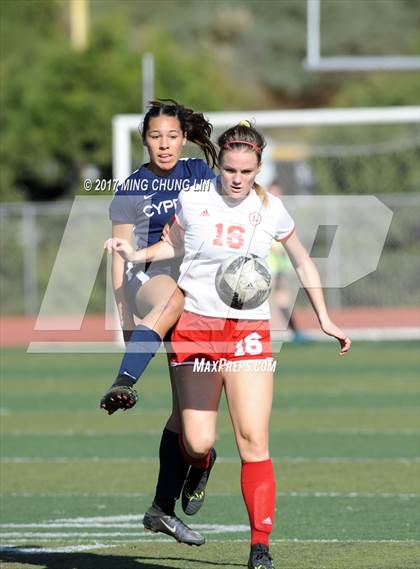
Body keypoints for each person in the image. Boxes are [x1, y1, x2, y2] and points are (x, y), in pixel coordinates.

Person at [107, 121, 351, 569]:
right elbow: (169, 245)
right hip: (196, 330)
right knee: (197, 442)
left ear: (258, 167)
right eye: (230, 170)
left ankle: (260, 545)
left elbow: (302, 261)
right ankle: (198, 467)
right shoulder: (194, 200)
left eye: (246, 171)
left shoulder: (273, 210)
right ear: (219, 165)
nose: (237, 179)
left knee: (254, 440)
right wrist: (134, 256)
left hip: (248, 334)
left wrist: (326, 318)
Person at [102, 100, 218, 546]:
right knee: (168, 293)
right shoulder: (132, 185)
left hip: (197, 289)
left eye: (171, 136)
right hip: (150, 278)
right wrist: (124, 320)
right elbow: (119, 255)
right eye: (155, 137)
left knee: (193, 429)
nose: (164, 144)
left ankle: (166, 504)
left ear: (183, 138)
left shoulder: (199, 175)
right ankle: (124, 380)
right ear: (144, 140)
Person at [266, 180, 309, 343]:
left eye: (278, 194)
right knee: (258, 300)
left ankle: (295, 332)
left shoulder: (279, 212)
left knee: (283, 298)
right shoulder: (261, 211)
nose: (277, 196)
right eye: (273, 193)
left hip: (278, 266)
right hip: (264, 267)